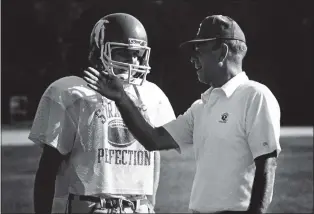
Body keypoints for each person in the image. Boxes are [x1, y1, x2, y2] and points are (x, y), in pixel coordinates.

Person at [83, 15, 282, 213]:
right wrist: (121, 98)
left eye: (199, 50)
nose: (192, 58)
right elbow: (153, 140)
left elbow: (267, 165)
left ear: (222, 52)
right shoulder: (201, 106)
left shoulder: (255, 95)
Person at [29, 13, 176, 214]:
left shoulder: (153, 95)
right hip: (90, 207)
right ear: (100, 50)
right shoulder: (70, 92)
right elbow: (47, 170)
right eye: (124, 53)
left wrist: (150, 205)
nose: (133, 60)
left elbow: (155, 161)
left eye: (138, 54)